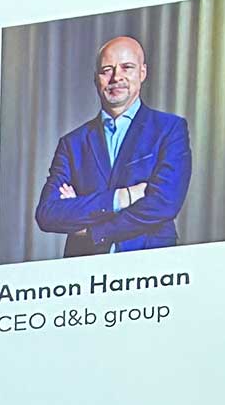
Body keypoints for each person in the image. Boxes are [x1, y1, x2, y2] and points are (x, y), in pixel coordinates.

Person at [33, 35, 193, 256]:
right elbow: (48, 213)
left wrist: (93, 229)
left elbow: (164, 203)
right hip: (83, 277)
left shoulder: (170, 129)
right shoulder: (72, 144)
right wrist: (123, 197)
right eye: (107, 70)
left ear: (142, 73)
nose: (116, 77)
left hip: (151, 270)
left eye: (127, 67)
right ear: (95, 79)